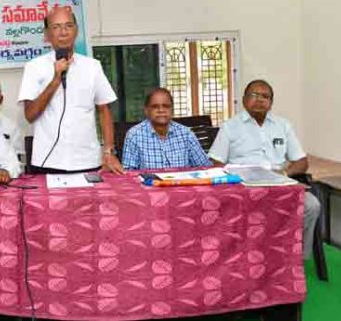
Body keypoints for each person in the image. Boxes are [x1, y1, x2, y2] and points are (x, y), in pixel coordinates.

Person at [209, 79, 321, 259]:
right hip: (243, 187)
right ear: (244, 99)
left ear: (271, 102)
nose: (259, 99)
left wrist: (284, 174)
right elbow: (216, 163)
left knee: (311, 205)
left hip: (279, 183)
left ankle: (294, 258)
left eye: (265, 96)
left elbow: (301, 161)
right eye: (254, 95)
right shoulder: (230, 127)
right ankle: (248, 257)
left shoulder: (283, 125)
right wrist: (234, 181)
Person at [18, 6, 123, 174]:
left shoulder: (93, 67)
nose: (63, 32)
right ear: (47, 34)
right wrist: (55, 80)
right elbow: (30, 115)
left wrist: (108, 151)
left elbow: (104, 109)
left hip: (88, 160)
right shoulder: (34, 68)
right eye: (56, 27)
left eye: (68, 26)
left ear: (76, 31)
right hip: (48, 161)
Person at [122, 88, 211, 169]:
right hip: (149, 185)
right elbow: (129, 173)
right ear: (146, 110)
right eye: (155, 106)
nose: (161, 110)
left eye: (166, 106)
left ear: (172, 109)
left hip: (181, 184)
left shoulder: (186, 134)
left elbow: (204, 167)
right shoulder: (134, 135)